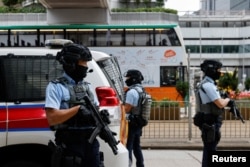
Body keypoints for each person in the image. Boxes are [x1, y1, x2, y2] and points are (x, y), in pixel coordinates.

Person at [45, 43, 101, 167]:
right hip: (70, 143)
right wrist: (78, 109)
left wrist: (100, 116)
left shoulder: (87, 87)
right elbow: (52, 118)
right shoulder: (55, 87)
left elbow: (95, 109)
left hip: (90, 143)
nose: (86, 66)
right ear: (71, 64)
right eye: (83, 62)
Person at [198, 59, 231, 167]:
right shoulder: (208, 85)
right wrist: (228, 100)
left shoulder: (207, 84)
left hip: (210, 120)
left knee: (209, 150)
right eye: (218, 69)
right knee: (210, 150)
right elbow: (220, 104)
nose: (220, 72)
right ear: (211, 70)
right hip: (211, 121)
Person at [123, 69, 145, 167]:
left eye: (128, 77)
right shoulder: (142, 90)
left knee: (129, 146)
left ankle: (128, 165)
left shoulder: (132, 92)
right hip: (138, 122)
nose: (126, 79)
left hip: (131, 122)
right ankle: (141, 165)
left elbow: (127, 109)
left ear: (134, 79)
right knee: (137, 146)